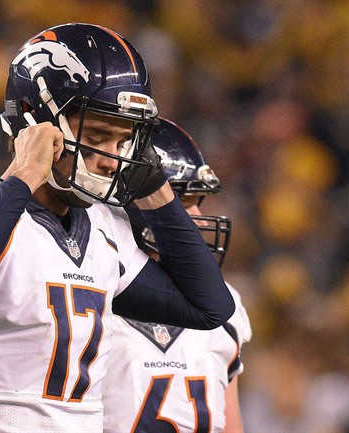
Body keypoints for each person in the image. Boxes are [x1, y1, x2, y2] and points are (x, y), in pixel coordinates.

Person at [0, 23, 235, 432]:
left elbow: (210, 306)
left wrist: (156, 191)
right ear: (38, 121)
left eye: (123, 142)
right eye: (100, 136)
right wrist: (22, 178)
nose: (111, 158)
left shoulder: (103, 228)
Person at [102, 118, 252, 433]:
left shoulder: (228, 306)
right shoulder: (89, 293)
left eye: (198, 203)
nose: (197, 218)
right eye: (181, 202)